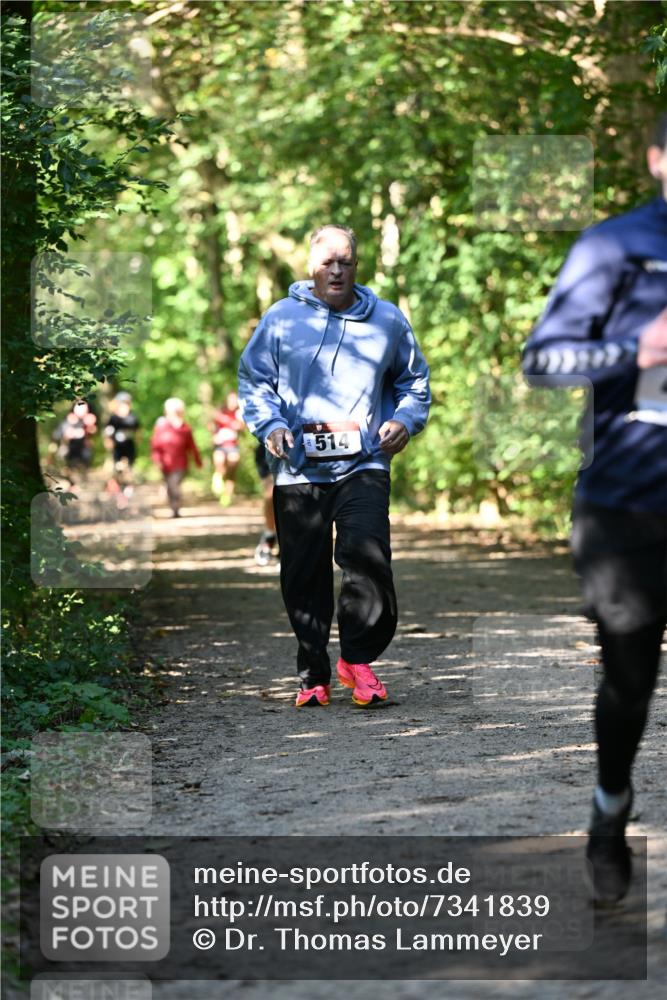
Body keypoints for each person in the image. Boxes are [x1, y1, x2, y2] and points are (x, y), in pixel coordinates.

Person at [522, 114, 667, 904]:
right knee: (629, 681)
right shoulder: (613, 245)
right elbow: (542, 359)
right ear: (655, 159)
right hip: (627, 506)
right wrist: (636, 350)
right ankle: (610, 808)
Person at [238, 223, 431, 708]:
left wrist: (405, 420)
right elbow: (254, 381)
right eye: (328, 262)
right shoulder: (281, 320)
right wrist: (272, 427)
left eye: (346, 261)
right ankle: (313, 673)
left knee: (367, 558)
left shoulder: (387, 319)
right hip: (299, 466)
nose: (338, 269)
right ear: (312, 268)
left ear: (357, 265)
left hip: (365, 462)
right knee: (303, 574)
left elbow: (415, 382)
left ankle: (358, 660)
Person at [150, 397, 202, 517]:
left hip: (180, 464)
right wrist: (157, 459)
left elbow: (192, 446)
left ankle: (175, 508)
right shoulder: (161, 427)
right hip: (165, 463)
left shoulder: (185, 429)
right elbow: (155, 445)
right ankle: (173, 507)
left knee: (174, 484)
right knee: (169, 485)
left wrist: (198, 461)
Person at [104, 391, 140, 504]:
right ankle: (119, 494)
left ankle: (127, 493)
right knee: (117, 471)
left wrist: (137, 440)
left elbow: (138, 432)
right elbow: (107, 433)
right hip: (117, 450)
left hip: (129, 448)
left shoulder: (133, 418)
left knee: (129, 471)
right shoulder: (113, 418)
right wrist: (109, 443)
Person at [210, 390, 244, 506]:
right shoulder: (220, 411)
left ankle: (227, 495)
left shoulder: (239, 413)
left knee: (232, 467)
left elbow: (241, 427)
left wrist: (238, 422)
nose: (233, 402)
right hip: (220, 445)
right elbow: (212, 425)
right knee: (219, 463)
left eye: (235, 400)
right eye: (231, 399)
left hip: (233, 445)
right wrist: (214, 436)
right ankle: (218, 479)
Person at [53, 399, 97, 483]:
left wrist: (91, 427)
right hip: (70, 451)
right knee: (67, 461)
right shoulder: (68, 421)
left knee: (84, 460)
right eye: (80, 408)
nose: (83, 411)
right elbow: (57, 435)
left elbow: (93, 433)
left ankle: (81, 479)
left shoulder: (88, 421)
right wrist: (68, 433)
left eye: (85, 408)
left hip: (83, 452)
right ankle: (69, 479)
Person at [253, 442, 279, 567]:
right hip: (270, 445)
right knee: (271, 493)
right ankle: (269, 536)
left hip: (302, 444)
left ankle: (288, 543)